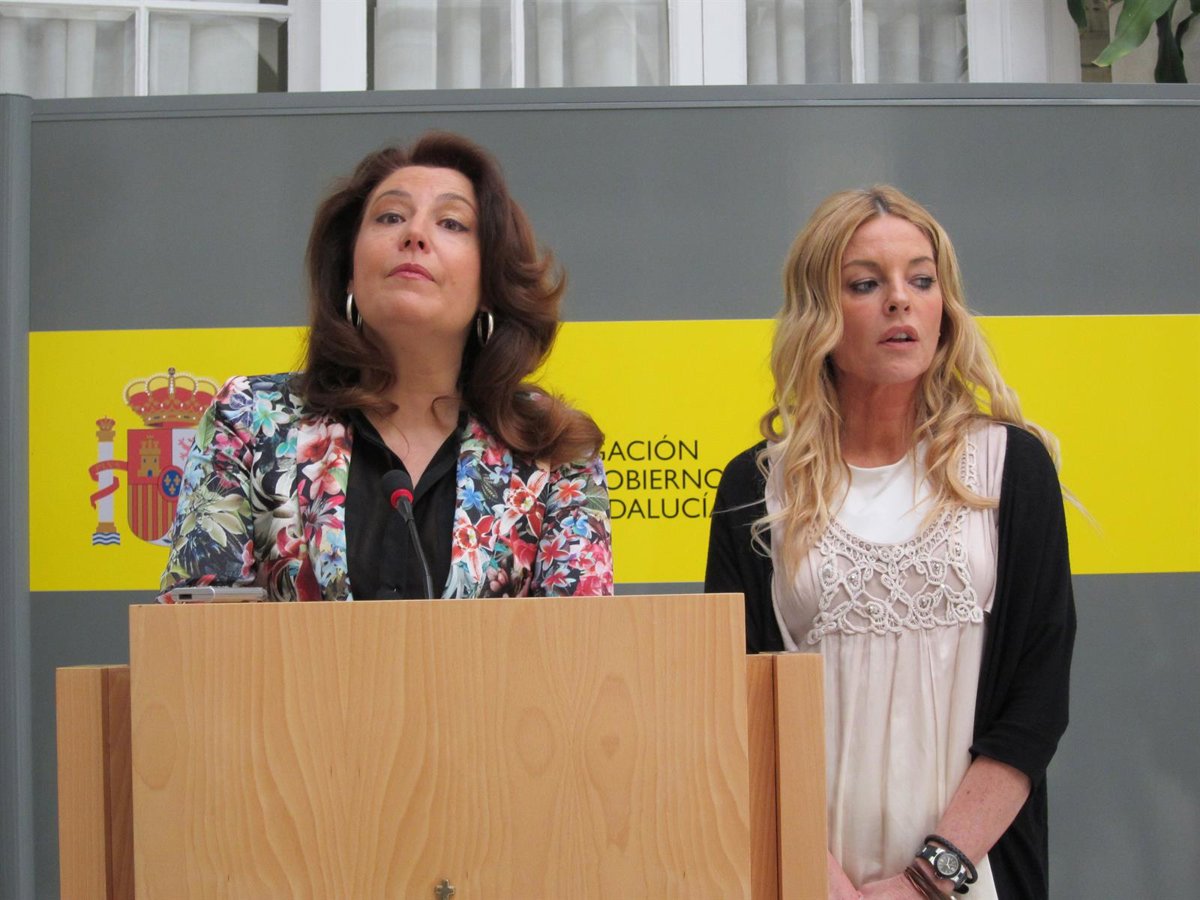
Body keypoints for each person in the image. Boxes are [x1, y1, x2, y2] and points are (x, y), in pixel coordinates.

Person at [705, 186, 1075, 899]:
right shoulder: (755, 489)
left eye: (922, 280)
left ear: (945, 306)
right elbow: (736, 712)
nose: (900, 300)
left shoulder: (1012, 467)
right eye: (865, 284)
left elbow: (1036, 704)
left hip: (976, 876)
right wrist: (821, 879)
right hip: (809, 881)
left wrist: (928, 881)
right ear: (820, 312)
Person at [161, 132, 613, 600]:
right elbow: (195, 634)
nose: (414, 234)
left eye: (452, 223)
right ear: (349, 273)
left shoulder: (554, 453)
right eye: (391, 216)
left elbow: (579, 641)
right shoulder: (248, 421)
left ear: (489, 286)